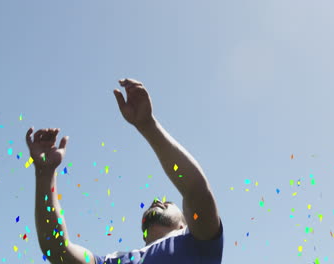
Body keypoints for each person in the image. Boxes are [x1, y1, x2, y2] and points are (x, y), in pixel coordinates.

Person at [26, 78, 223, 264]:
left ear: (184, 224)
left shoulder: (197, 244)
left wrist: (148, 126)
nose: (157, 201)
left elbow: (195, 190)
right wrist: (45, 174)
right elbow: (58, 250)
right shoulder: (114, 260)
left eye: (168, 202)